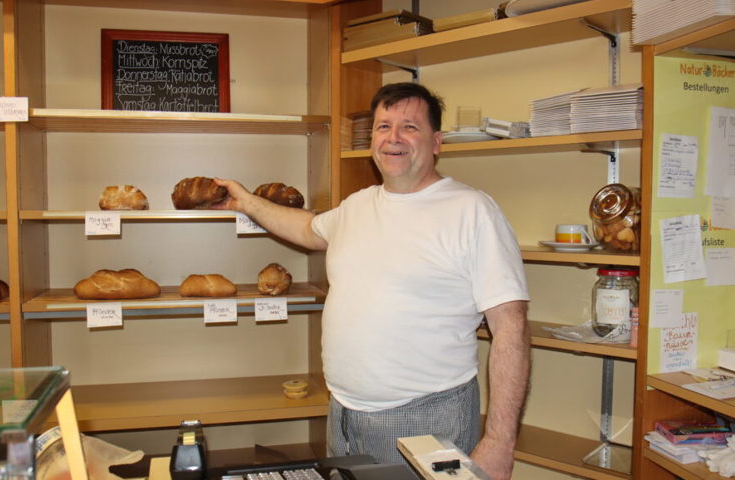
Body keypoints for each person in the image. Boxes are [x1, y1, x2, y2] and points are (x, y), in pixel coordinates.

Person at [213, 82, 530, 480]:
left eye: (410, 127)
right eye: (383, 126)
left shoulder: (472, 211)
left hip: (427, 418)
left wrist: (500, 440)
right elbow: (307, 228)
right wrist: (245, 201)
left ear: (436, 142)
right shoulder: (358, 205)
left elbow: (511, 327)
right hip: (343, 414)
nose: (393, 138)